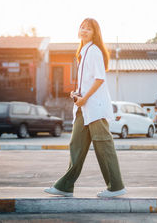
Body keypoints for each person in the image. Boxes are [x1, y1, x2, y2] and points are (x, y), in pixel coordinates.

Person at [44, 18, 126, 198]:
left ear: (95, 33)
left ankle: (116, 186)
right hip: (83, 106)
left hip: (94, 106)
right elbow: (88, 81)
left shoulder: (94, 51)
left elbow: (99, 79)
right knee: (77, 145)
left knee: (103, 144)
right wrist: (78, 94)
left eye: (88, 29)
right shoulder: (83, 51)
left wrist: (85, 98)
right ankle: (65, 186)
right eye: (82, 27)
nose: (84, 30)